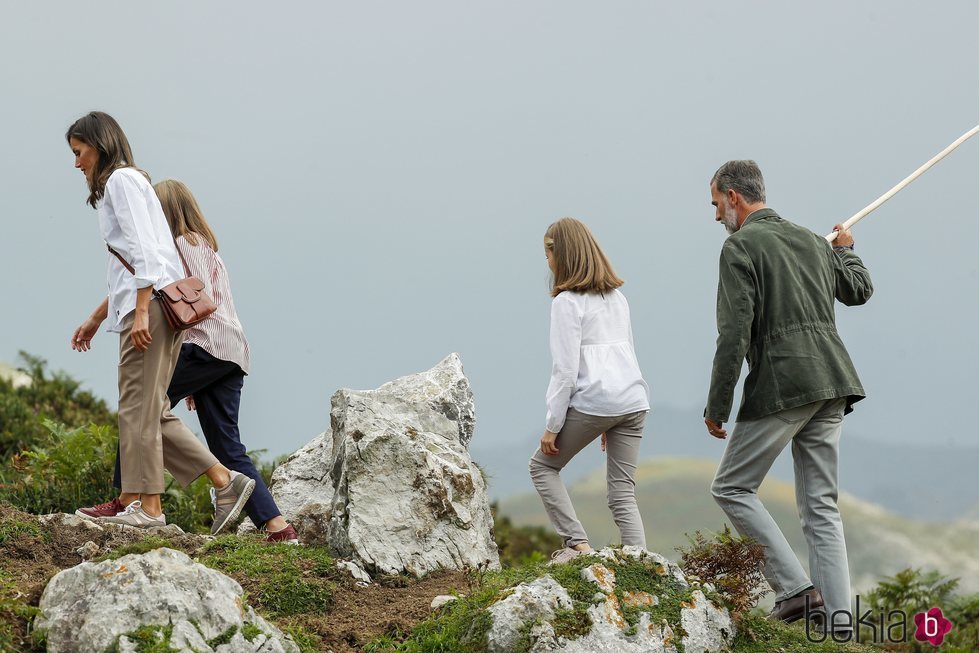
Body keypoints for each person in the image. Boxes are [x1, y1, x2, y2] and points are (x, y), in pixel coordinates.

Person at [703, 160, 872, 634]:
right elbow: (858, 290)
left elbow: (733, 332)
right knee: (821, 508)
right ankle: (840, 632)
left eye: (716, 204)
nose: (716, 215)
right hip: (834, 381)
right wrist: (847, 250)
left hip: (785, 384)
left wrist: (718, 406)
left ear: (733, 197)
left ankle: (796, 591)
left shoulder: (739, 247)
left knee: (731, 487)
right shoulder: (810, 241)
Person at [67, 111, 255, 532]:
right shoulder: (132, 182)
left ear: (98, 145)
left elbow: (146, 250)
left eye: (79, 153)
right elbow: (137, 256)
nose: (77, 163)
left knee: (140, 408)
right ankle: (221, 480)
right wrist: (102, 317)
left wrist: (140, 309)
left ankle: (149, 507)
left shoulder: (121, 181)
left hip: (147, 306)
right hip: (143, 304)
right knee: (146, 408)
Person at [108, 179, 297, 543]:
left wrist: (182, 353)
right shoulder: (209, 247)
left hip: (205, 344)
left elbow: (194, 300)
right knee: (227, 445)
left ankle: (125, 499)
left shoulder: (182, 244)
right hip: (228, 352)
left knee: (142, 406)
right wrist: (199, 378)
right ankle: (278, 527)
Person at [529, 217, 650, 565]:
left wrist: (553, 425)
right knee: (623, 491)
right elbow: (626, 350)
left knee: (541, 467)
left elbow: (565, 371)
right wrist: (610, 421)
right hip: (633, 400)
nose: (547, 263)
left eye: (548, 254)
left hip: (596, 401)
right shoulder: (618, 297)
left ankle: (579, 546)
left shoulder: (566, 302)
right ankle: (641, 564)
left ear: (561, 254)